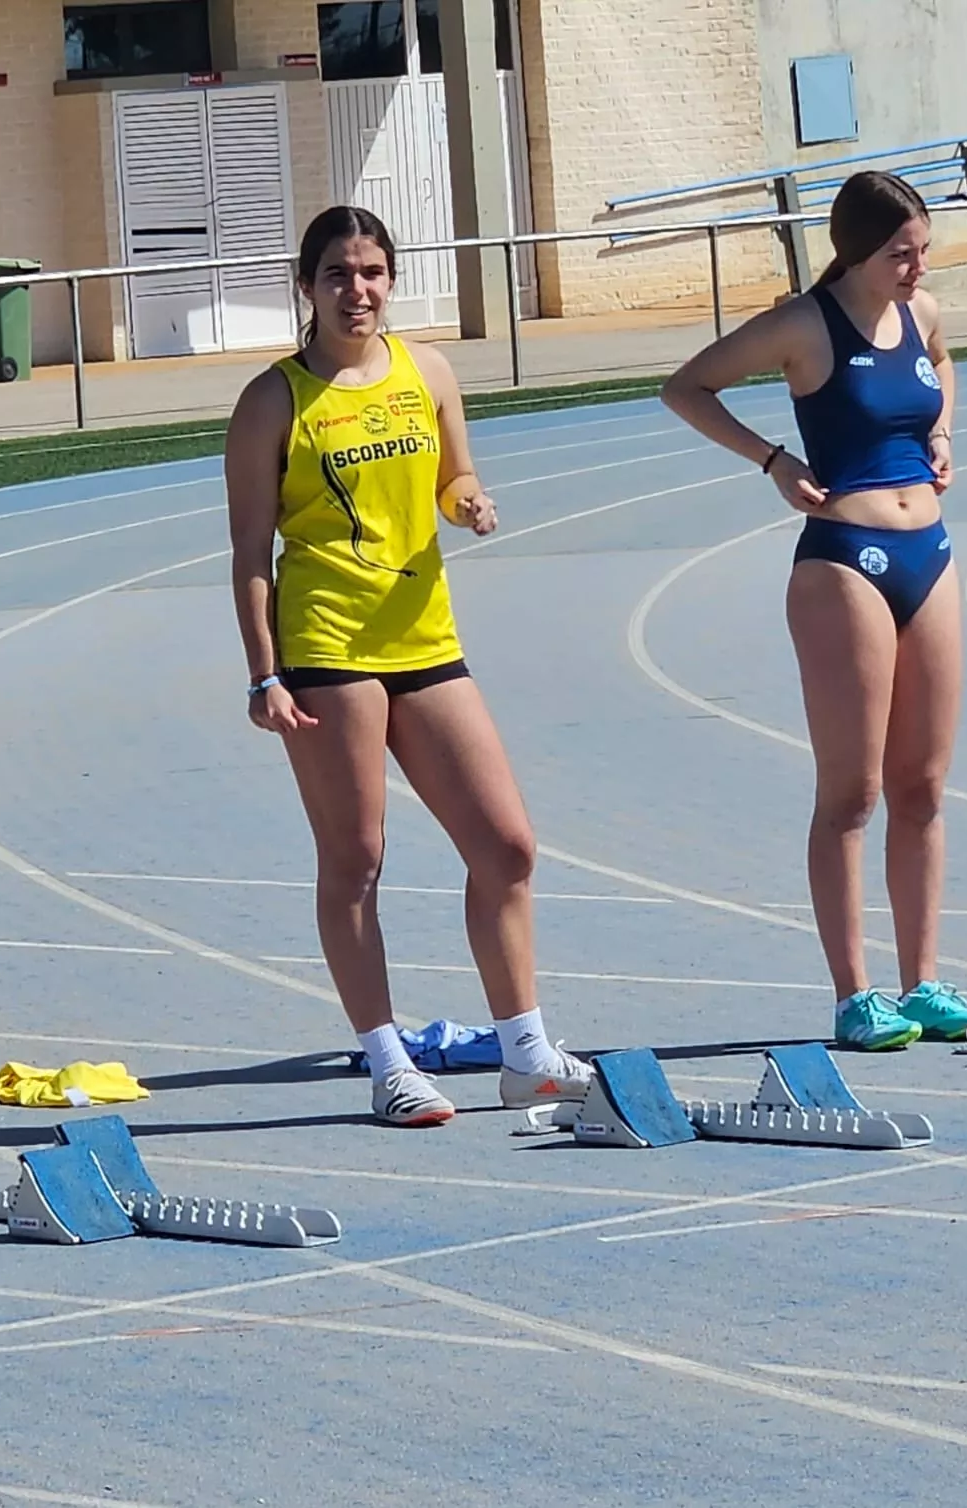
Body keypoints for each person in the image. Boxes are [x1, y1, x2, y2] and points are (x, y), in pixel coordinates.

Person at [224, 204, 593, 1126]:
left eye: (373, 273)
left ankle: (525, 1052)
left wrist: (469, 501)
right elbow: (247, 555)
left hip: (425, 638)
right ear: (306, 288)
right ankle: (388, 1061)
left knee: (507, 845)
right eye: (339, 276)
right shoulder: (275, 400)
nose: (359, 291)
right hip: (326, 647)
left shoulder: (426, 369)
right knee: (356, 858)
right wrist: (265, 673)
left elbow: (454, 475)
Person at [660, 171, 967, 1051]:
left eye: (923, 250)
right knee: (855, 791)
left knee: (923, 785)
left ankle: (923, 982)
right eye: (900, 253)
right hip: (845, 561)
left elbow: (943, 367)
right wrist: (771, 460)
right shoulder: (807, 326)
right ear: (855, 249)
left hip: (932, 553)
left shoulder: (921, 315)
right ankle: (856, 994)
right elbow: (686, 387)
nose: (917, 268)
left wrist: (943, 433)